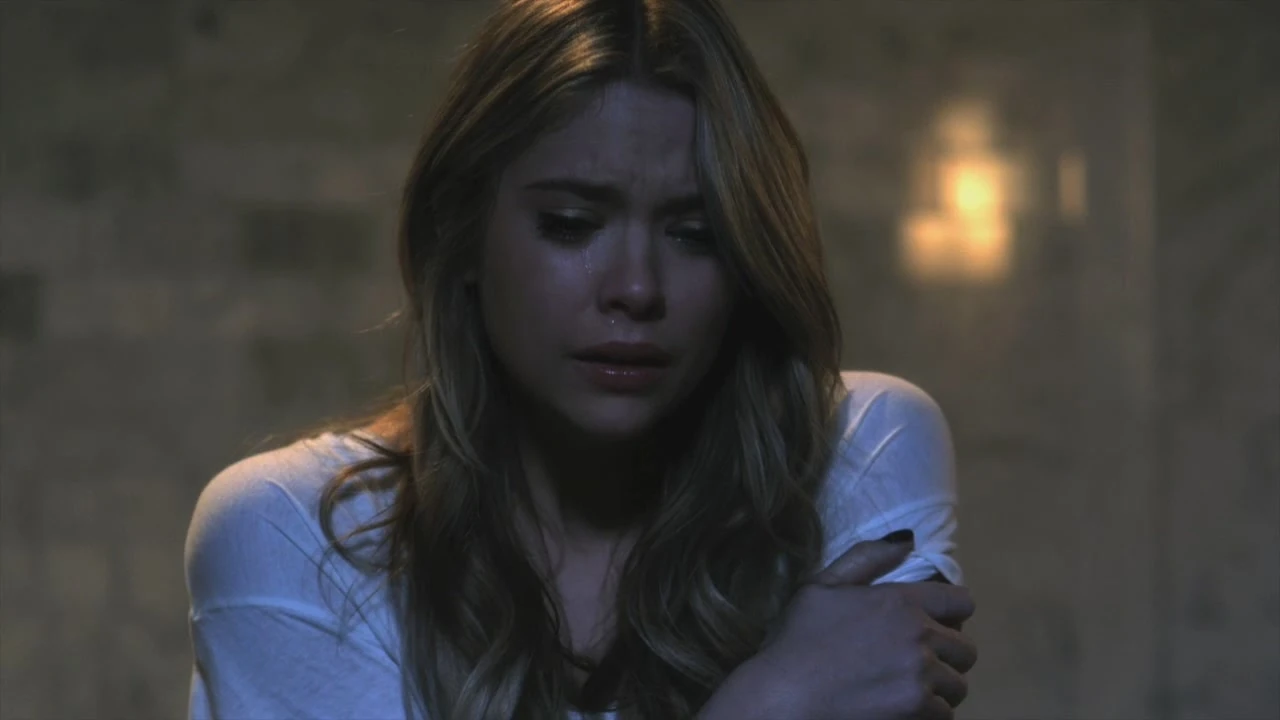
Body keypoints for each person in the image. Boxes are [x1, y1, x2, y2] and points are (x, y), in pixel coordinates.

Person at [183, 0, 978, 718]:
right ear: (461, 233)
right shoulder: (294, 534)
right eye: (571, 223)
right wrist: (772, 702)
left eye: (694, 234)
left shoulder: (858, 451)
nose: (636, 288)